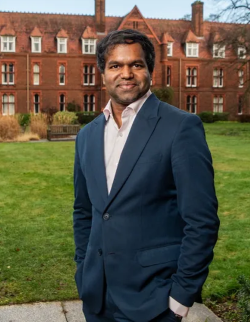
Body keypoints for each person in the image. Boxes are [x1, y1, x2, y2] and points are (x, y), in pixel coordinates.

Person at [73, 29, 220, 322]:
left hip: (154, 300)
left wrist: (180, 296)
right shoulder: (86, 136)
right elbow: (84, 211)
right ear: (103, 73)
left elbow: (201, 220)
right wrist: (83, 268)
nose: (125, 74)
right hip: (96, 297)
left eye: (135, 65)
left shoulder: (181, 127)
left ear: (150, 71)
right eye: (115, 65)